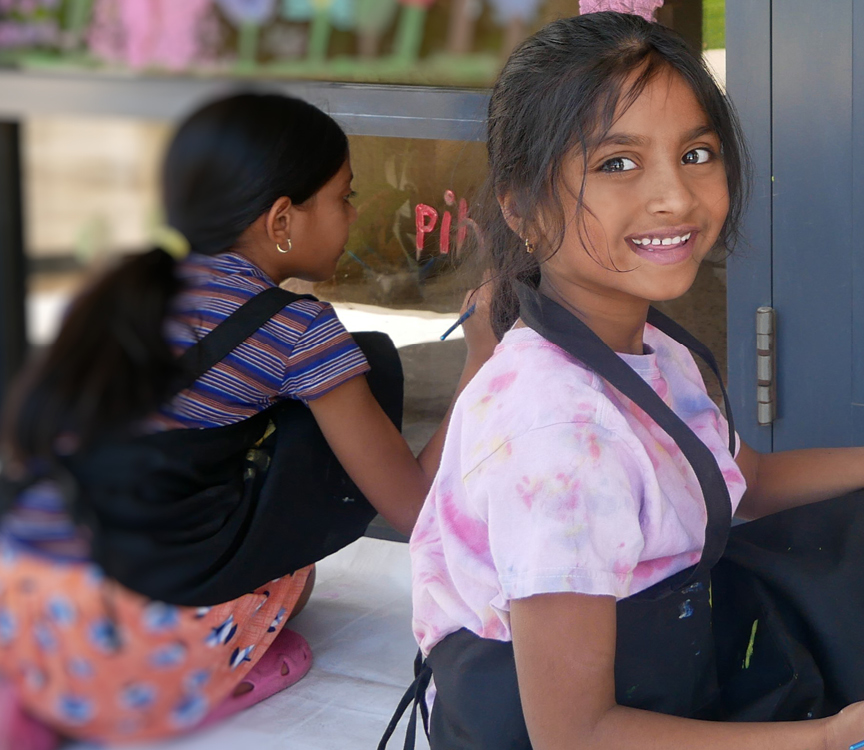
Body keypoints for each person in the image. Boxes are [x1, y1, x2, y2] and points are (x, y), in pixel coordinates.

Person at [401, 12, 864, 750]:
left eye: (696, 152)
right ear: (522, 208)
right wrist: (828, 741)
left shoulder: (651, 349)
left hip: (662, 676)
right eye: (617, 163)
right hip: (568, 731)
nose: (676, 196)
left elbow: (743, 479)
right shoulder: (559, 440)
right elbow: (574, 734)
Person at [0, 92, 496, 746]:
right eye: (344, 197)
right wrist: (480, 358)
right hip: (132, 644)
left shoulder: (127, 285)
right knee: (300, 561)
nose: (351, 213)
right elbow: (414, 511)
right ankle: (194, 679)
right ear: (283, 219)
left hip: (29, 593)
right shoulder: (296, 330)